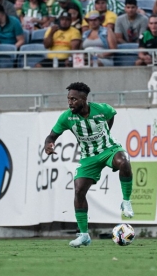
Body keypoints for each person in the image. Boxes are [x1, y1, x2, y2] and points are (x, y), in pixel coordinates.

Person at [43, 81, 134, 248]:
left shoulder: (102, 109)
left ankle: (126, 202)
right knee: (78, 190)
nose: (70, 102)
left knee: (124, 162)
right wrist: (48, 145)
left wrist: (106, 132)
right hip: (88, 157)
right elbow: (51, 137)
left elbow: (111, 114)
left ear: (84, 100)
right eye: (68, 99)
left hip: (108, 149)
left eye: (74, 99)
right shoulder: (66, 117)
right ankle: (84, 235)